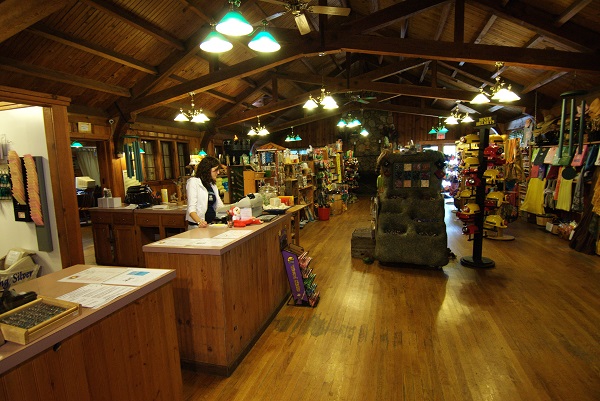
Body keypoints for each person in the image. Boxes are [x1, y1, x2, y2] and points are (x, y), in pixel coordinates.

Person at [186, 156, 224, 229]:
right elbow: (191, 209)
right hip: (197, 226)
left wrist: (230, 211)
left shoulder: (212, 185)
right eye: (215, 170)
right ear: (207, 170)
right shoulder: (193, 182)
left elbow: (219, 206)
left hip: (211, 225)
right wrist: (200, 222)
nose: (218, 172)